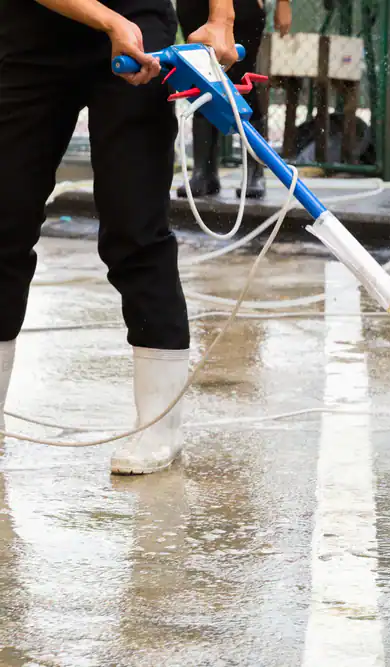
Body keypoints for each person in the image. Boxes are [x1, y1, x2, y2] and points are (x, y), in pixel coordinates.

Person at [0, 0, 238, 473]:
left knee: (136, 229)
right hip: (33, 31)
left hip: (139, 23)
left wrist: (220, 19)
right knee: (4, 223)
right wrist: (107, 22)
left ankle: (159, 428)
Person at [176, 0, 291, 200]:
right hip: (193, 7)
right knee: (202, 78)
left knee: (242, 81)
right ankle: (204, 172)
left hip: (241, 7)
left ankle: (254, 171)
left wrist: (283, 2)